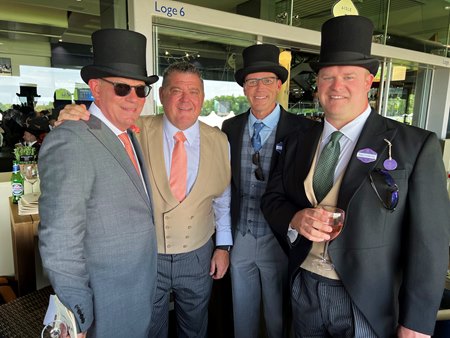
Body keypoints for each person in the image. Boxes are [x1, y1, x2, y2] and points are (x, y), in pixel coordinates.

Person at [261, 15, 450, 338]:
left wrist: (416, 322)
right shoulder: (297, 141)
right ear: (317, 84)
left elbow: (430, 243)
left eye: (349, 76)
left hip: (368, 299)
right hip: (305, 286)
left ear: (368, 81)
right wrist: (296, 219)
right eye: (327, 76)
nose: (337, 86)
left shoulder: (414, 145)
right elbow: (272, 199)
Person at [57, 61, 232, 338]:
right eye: (176, 90)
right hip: (147, 258)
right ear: (162, 95)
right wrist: (74, 116)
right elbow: (99, 126)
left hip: (199, 256)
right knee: (149, 328)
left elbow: (222, 200)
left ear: (203, 97)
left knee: (195, 326)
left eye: (194, 91)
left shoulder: (220, 140)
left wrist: (223, 246)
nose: (186, 100)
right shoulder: (131, 129)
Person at [38, 28, 159, 338]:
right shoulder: (70, 140)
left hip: (137, 297)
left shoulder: (128, 133)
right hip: (102, 309)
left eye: (141, 90)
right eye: (122, 88)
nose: (134, 99)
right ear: (95, 87)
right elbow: (60, 241)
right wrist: (77, 314)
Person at [221, 44, 316, 338]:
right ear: (244, 88)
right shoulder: (230, 127)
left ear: (278, 84)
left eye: (266, 81)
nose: (258, 88)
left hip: (280, 239)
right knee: (242, 315)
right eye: (251, 81)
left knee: (279, 318)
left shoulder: (304, 130)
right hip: (241, 237)